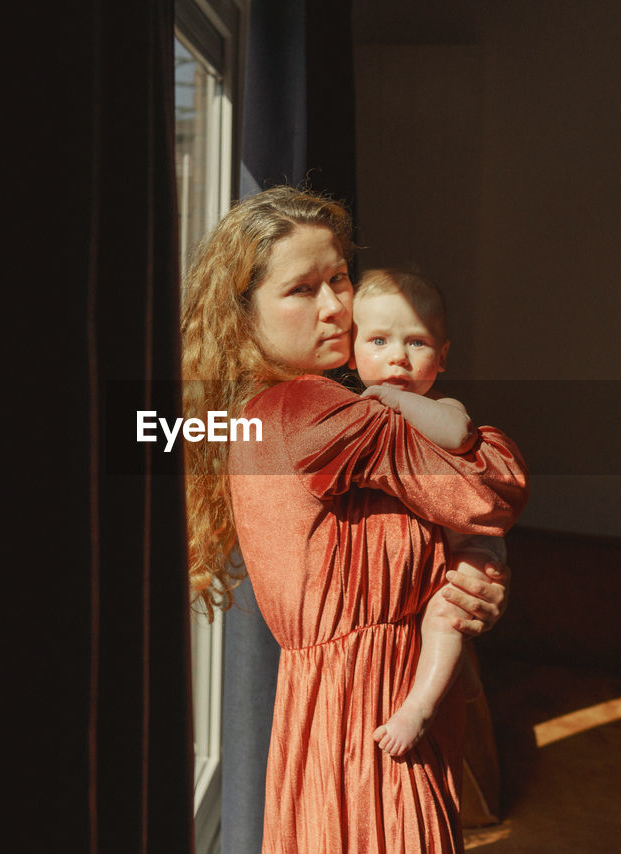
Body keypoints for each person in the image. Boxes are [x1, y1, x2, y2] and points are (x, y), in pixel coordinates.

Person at [182, 185, 529, 854]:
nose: (337, 306)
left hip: (337, 706)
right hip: (371, 708)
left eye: (339, 277)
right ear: (243, 313)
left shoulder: (273, 406)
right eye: (303, 290)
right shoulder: (314, 412)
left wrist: (465, 581)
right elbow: (490, 494)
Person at [350, 268, 510, 758]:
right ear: (352, 349)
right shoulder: (349, 410)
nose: (397, 355)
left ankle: (419, 706)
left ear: (442, 358)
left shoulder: (439, 404)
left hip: (469, 545)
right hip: (419, 558)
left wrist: (396, 399)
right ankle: (454, 672)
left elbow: (458, 434)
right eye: (378, 340)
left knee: (446, 613)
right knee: (434, 617)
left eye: (416, 343)